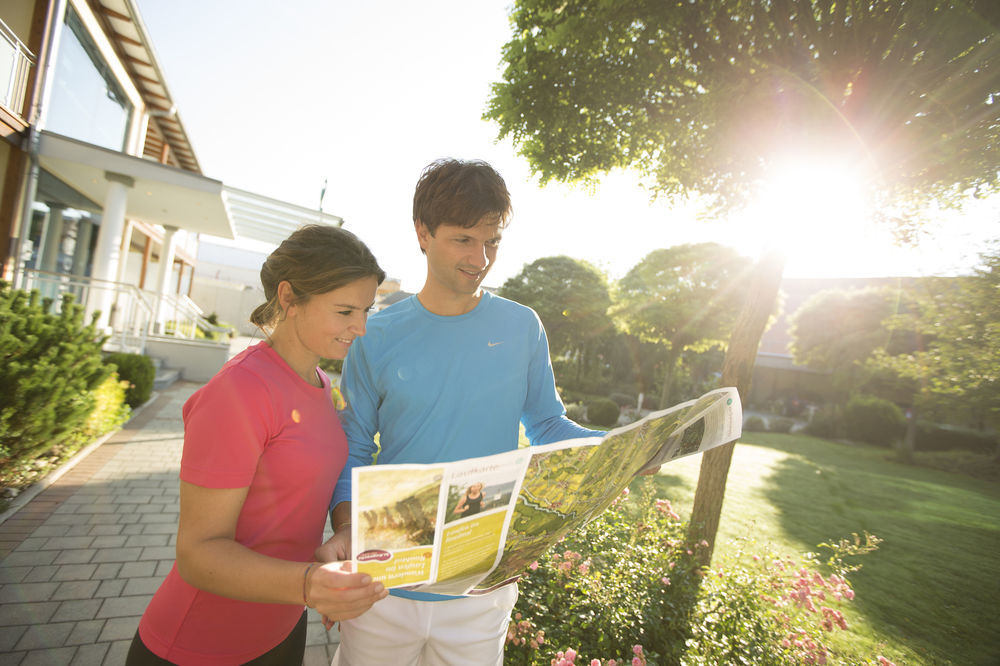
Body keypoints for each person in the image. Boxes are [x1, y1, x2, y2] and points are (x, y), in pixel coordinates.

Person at [317, 158, 604, 665]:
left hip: (480, 583)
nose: (481, 257)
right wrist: (345, 528)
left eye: (492, 241)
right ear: (422, 233)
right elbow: (354, 443)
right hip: (385, 579)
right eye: (464, 239)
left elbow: (544, 423)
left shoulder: (522, 327)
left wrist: (615, 448)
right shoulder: (375, 333)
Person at [126, 225, 389, 666]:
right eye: (345, 310)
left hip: (282, 629)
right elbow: (197, 553)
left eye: (366, 310)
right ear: (288, 297)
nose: (360, 328)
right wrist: (308, 584)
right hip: (201, 646)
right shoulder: (240, 391)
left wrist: (339, 536)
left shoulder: (321, 383)